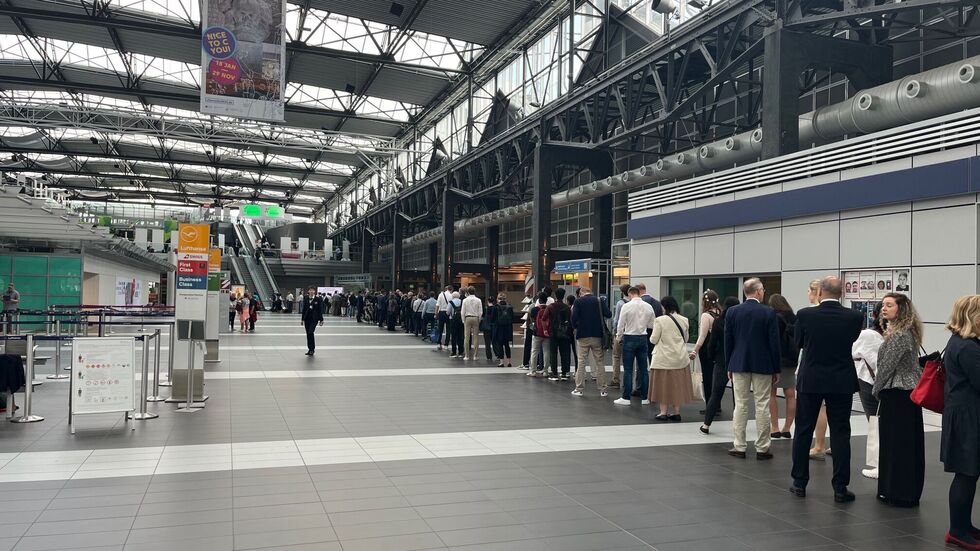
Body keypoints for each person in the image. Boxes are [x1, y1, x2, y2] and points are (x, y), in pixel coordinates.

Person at [790, 276, 863, 503]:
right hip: (841, 380)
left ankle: (799, 482)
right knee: (841, 433)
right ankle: (840, 487)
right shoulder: (855, 317)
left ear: (820, 291)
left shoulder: (804, 315)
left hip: (811, 379)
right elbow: (851, 339)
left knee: (803, 429)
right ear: (841, 293)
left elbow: (798, 343)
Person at [873, 292, 924, 507]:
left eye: (889, 305)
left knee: (897, 444)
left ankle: (897, 490)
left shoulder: (900, 335)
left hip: (898, 393)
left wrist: (876, 389)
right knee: (903, 443)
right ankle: (898, 489)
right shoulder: (904, 332)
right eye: (883, 305)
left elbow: (886, 367)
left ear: (901, 309)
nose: (884, 309)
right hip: (906, 393)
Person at [724, 278, 780, 459]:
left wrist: (729, 364)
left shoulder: (732, 312)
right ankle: (763, 447)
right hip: (763, 364)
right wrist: (776, 368)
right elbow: (774, 342)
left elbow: (728, 341)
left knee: (740, 404)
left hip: (738, 363)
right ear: (757, 292)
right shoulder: (769, 312)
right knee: (762, 404)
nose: (763, 292)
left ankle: (739, 446)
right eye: (763, 290)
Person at [941, 296, 980, 550]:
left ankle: (964, 526)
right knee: (967, 473)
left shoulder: (961, 343)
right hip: (968, 416)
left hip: (963, 413)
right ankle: (957, 530)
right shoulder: (968, 347)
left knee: (969, 472)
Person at [852, 302, 884, 480]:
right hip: (891, 385)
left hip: (869, 381)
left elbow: (854, 352)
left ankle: (879, 465)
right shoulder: (900, 334)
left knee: (875, 423)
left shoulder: (867, 334)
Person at [648, 295, 693, 420]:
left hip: (663, 359)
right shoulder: (684, 319)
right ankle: (676, 413)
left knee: (664, 386)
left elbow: (653, 339)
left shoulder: (660, 320)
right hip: (680, 359)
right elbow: (686, 338)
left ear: (665, 306)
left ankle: (663, 412)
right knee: (677, 386)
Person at [700, 297, 740, 434]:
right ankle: (738, 425)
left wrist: (712, 357)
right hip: (738, 361)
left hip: (721, 361)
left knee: (716, 394)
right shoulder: (740, 322)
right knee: (738, 396)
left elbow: (712, 343)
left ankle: (706, 425)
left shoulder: (719, 322)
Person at [614, 286, 655, 405]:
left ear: (630, 294)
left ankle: (626, 398)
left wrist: (618, 337)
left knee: (628, 369)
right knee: (643, 369)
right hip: (643, 337)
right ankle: (645, 398)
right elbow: (652, 324)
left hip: (629, 337)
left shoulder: (626, 306)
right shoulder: (648, 306)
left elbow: (620, 324)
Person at [768, 294, 799, 440]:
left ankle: (774, 428)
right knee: (790, 393)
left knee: (771, 393)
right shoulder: (794, 317)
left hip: (775, 359)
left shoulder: (773, 317)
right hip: (791, 360)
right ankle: (787, 428)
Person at [571, 287, 607, 395]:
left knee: (581, 361)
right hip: (597, 335)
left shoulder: (578, 301)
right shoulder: (599, 300)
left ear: (581, 293)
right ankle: (603, 389)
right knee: (599, 362)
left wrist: (576, 327)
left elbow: (574, 317)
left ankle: (579, 388)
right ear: (591, 292)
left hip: (582, 335)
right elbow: (608, 314)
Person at [689, 290, 720, 412]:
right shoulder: (720, 313)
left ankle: (710, 406)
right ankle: (717, 405)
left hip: (707, 349)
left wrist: (695, 350)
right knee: (716, 377)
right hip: (718, 350)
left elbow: (702, 336)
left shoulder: (706, 315)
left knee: (707, 377)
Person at [546, 289, 572, 381]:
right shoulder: (567, 307)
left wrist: (546, 329)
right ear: (564, 296)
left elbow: (544, 318)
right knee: (564, 353)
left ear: (555, 296)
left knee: (553, 353)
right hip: (565, 333)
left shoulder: (550, 306)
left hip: (553, 332)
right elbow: (570, 319)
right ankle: (564, 373)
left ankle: (554, 373)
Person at [637, 283, 664, 364]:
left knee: (641, 362)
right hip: (654, 334)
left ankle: (641, 376)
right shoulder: (657, 303)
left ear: (638, 291)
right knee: (653, 359)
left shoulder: (638, 303)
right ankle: (653, 376)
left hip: (641, 334)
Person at [610, 284, 631, 389]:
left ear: (622, 292)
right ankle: (628, 382)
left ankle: (616, 379)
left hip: (621, 333)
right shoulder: (634, 303)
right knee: (629, 359)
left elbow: (617, 320)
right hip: (631, 334)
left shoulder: (620, 303)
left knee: (616, 356)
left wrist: (614, 333)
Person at [527, 292, 552, 377]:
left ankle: (533, 371)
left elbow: (532, 320)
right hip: (547, 334)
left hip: (536, 333)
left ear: (539, 300)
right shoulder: (549, 309)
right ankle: (545, 371)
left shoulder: (534, 309)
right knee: (546, 352)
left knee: (534, 351)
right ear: (546, 300)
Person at [300, 287, 323, 356]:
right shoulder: (306, 298)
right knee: (308, 334)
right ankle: (310, 349)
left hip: (314, 319)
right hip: (307, 318)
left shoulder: (318, 299)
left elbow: (320, 310)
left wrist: (321, 319)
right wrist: (302, 319)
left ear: (314, 291)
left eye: (313, 290)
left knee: (310, 332)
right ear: (308, 291)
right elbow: (304, 309)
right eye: (310, 290)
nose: (311, 291)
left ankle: (312, 349)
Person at [492, 294, 514, 367]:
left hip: (499, 328)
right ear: (505, 299)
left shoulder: (496, 307)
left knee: (500, 345)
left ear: (498, 298)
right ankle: (509, 362)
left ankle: (501, 362)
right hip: (507, 328)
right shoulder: (509, 307)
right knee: (507, 345)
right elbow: (512, 318)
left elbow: (492, 318)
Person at [461, 286, 483, 360]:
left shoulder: (465, 300)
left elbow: (462, 312)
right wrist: (479, 319)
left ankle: (466, 355)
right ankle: (475, 356)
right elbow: (480, 311)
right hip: (475, 317)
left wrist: (463, 320)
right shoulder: (478, 300)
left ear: (467, 292)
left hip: (467, 317)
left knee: (466, 337)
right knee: (476, 337)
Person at [435, 286, 453, 351]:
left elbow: (437, 305)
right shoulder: (451, 296)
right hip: (448, 313)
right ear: (451, 289)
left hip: (441, 312)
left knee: (440, 328)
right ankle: (446, 344)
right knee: (448, 329)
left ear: (446, 289)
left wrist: (436, 314)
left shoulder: (441, 295)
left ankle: (439, 343)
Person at [447, 291, 464, 358]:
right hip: (461, 321)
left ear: (452, 296)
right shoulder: (462, 301)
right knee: (460, 336)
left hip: (453, 321)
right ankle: (460, 352)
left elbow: (448, 312)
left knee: (453, 336)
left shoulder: (450, 302)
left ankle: (454, 352)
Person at [482, 296, 498, 362]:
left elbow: (482, 316)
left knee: (487, 343)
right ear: (494, 301)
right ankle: (497, 354)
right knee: (495, 341)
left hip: (486, 327)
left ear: (487, 301)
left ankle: (489, 356)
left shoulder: (485, 308)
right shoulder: (495, 308)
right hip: (493, 326)